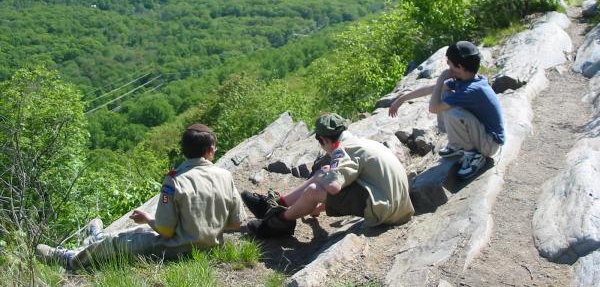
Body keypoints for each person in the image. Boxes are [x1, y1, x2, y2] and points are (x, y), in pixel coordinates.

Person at [36, 124, 246, 269]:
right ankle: (96, 238)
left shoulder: (174, 181)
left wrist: (148, 218)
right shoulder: (225, 176)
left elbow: (165, 230)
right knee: (139, 231)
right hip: (210, 247)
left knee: (120, 241)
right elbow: (236, 223)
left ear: (184, 151)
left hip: (177, 249)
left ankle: (69, 259)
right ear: (210, 151)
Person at [242, 113, 414, 238]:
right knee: (325, 173)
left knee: (313, 190)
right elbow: (356, 182)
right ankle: (278, 204)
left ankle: (278, 223)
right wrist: (320, 205)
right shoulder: (363, 142)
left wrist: (317, 197)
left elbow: (334, 187)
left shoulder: (343, 150)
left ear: (323, 139)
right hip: (398, 205)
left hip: (386, 211)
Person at [388, 41, 505, 180]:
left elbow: (433, 108)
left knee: (451, 110)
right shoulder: (467, 80)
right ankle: (458, 144)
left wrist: (441, 79)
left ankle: (474, 155)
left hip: (490, 144)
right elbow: (430, 90)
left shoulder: (471, 90)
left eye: (449, 64)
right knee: (445, 95)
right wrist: (401, 99)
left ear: (459, 67)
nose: (447, 67)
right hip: (483, 134)